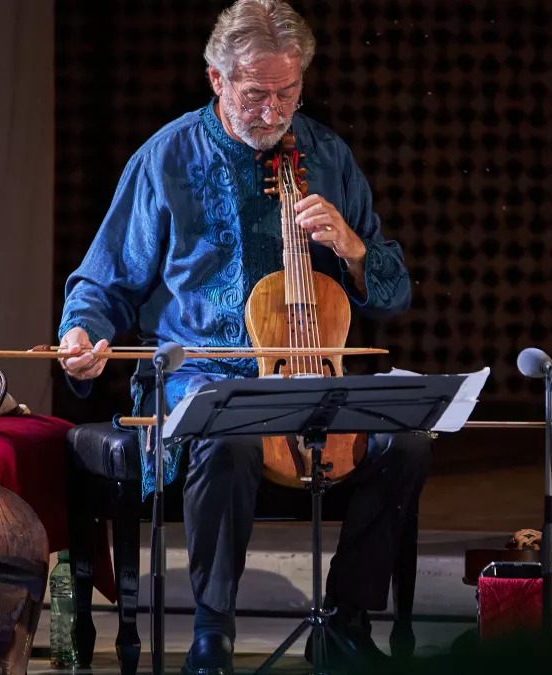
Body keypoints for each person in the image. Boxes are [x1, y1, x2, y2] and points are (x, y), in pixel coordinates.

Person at [57, 1, 432, 673]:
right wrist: (83, 333)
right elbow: (102, 281)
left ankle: (344, 623)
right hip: (202, 377)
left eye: (288, 92)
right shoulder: (166, 158)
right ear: (216, 80)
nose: (273, 111)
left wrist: (351, 248)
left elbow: (394, 290)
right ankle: (212, 632)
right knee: (226, 431)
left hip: (314, 380)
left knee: (404, 442)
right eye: (256, 94)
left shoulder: (326, 154)